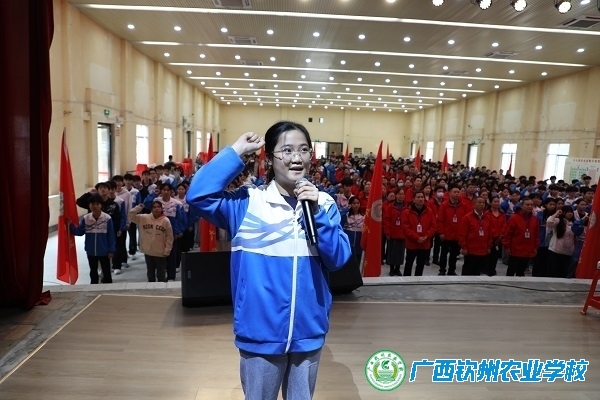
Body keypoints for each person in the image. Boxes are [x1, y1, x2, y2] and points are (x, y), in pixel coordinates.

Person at [186, 121, 351, 400]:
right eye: (287, 150)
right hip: (259, 335)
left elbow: (337, 259)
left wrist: (317, 215)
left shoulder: (323, 203)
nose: (296, 158)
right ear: (270, 159)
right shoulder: (248, 202)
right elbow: (198, 195)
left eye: (303, 150)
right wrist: (236, 152)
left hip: (308, 333)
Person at [70, 194, 116, 284]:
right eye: (92, 204)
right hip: (91, 251)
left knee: (106, 272)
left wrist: (111, 250)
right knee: (93, 271)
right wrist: (70, 225)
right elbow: (80, 232)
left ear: (101, 205)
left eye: (97, 204)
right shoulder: (86, 218)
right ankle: (93, 287)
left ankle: (108, 287)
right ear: (89, 205)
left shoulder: (107, 218)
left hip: (104, 251)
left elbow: (111, 236)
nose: (95, 206)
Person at [128, 200, 174, 282]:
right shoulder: (144, 218)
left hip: (160, 252)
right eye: (154, 207)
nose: (156, 209)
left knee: (161, 274)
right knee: (150, 273)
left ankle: (161, 288)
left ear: (161, 209)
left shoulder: (166, 220)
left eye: (158, 207)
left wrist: (167, 249)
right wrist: (138, 208)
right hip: (148, 251)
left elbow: (169, 237)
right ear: (151, 209)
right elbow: (130, 215)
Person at [401, 191, 437, 276]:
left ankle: (418, 280)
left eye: (422, 197)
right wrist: (417, 237)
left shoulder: (429, 211)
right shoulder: (407, 212)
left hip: (424, 242)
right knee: (409, 264)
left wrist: (426, 236)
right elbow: (405, 228)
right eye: (418, 197)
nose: (421, 199)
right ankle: (406, 280)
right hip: (412, 243)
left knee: (420, 265)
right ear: (413, 199)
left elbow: (433, 226)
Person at [502, 199, 540, 277]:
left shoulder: (535, 219)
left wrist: (535, 247)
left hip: (528, 249)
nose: (530, 206)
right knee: (511, 271)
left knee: (521, 272)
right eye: (527, 205)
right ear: (522, 206)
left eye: (531, 205)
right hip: (515, 249)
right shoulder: (514, 217)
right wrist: (507, 246)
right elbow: (508, 233)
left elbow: (536, 234)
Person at [458, 197, 493, 276]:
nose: (482, 204)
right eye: (479, 202)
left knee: (478, 271)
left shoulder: (488, 218)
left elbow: (490, 234)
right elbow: (462, 234)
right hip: (471, 250)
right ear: (474, 204)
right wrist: (464, 247)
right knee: (468, 271)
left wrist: (489, 246)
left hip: (482, 249)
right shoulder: (467, 217)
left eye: (483, 203)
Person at [546, 206, 575, 278]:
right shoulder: (558, 221)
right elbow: (549, 221)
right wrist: (557, 213)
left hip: (568, 252)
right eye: (568, 212)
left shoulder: (574, 223)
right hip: (555, 250)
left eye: (571, 212)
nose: (570, 213)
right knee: (552, 272)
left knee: (563, 272)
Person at [342, 196, 364, 266]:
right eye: (354, 203)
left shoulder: (363, 216)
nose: (356, 205)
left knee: (358, 261)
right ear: (350, 204)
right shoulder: (346, 215)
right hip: (349, 241)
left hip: (358, 242)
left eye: (358, 203)